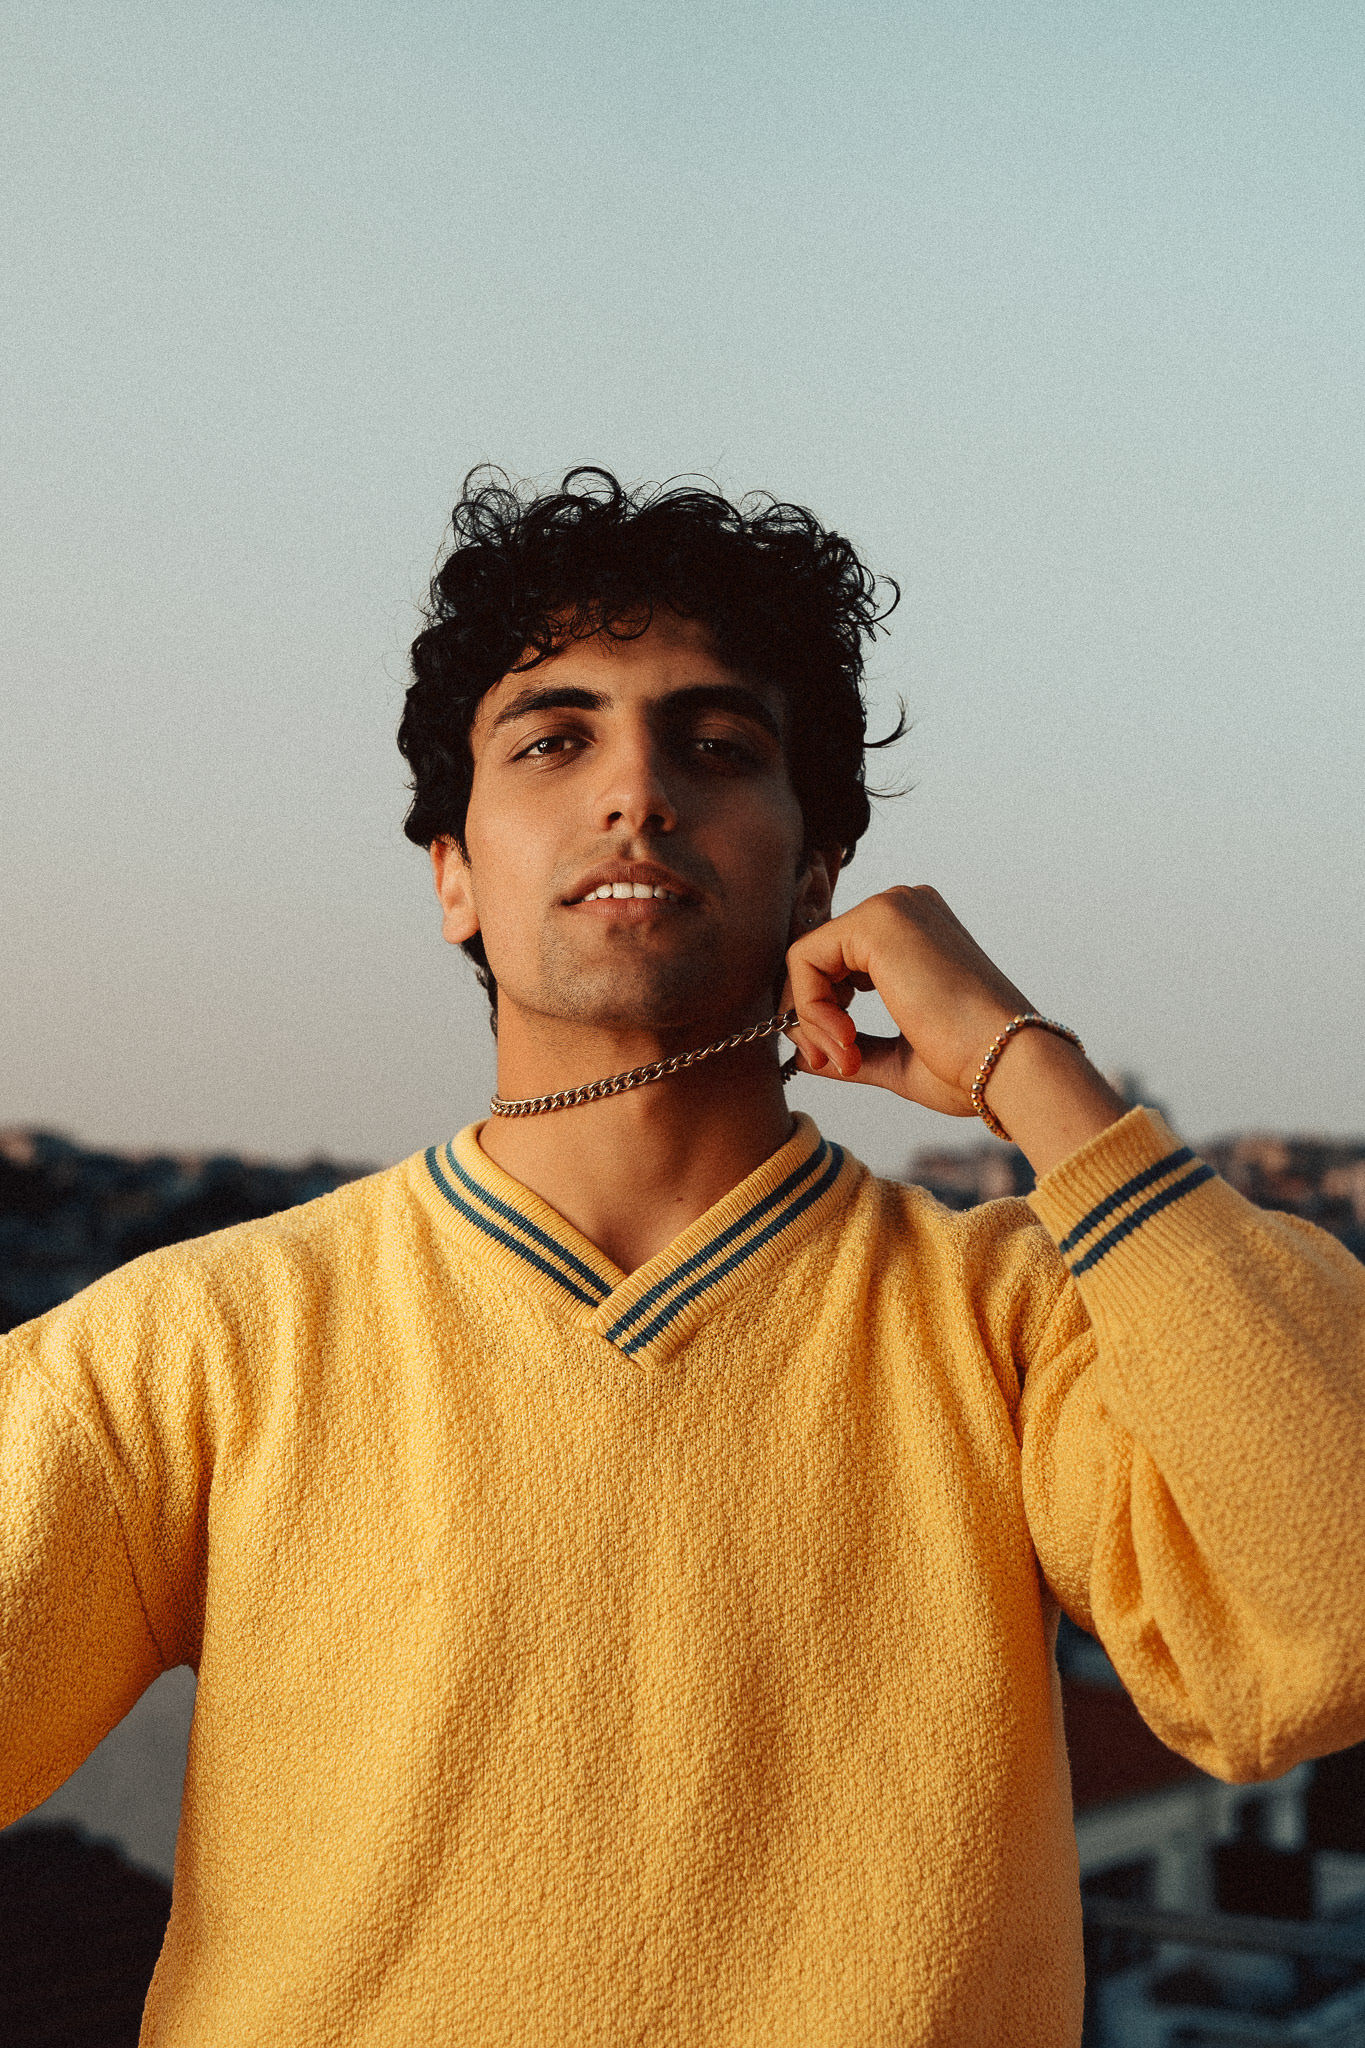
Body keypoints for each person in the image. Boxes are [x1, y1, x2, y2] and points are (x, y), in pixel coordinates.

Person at [3, 467, 1363, 2048]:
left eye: (715, 746)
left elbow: (1317, 1627)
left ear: (816, 873)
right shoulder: (192, 1347)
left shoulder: (1012, 1319)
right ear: (452, 873)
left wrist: (1024, 1064)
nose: (635, 793)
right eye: (552, 740)